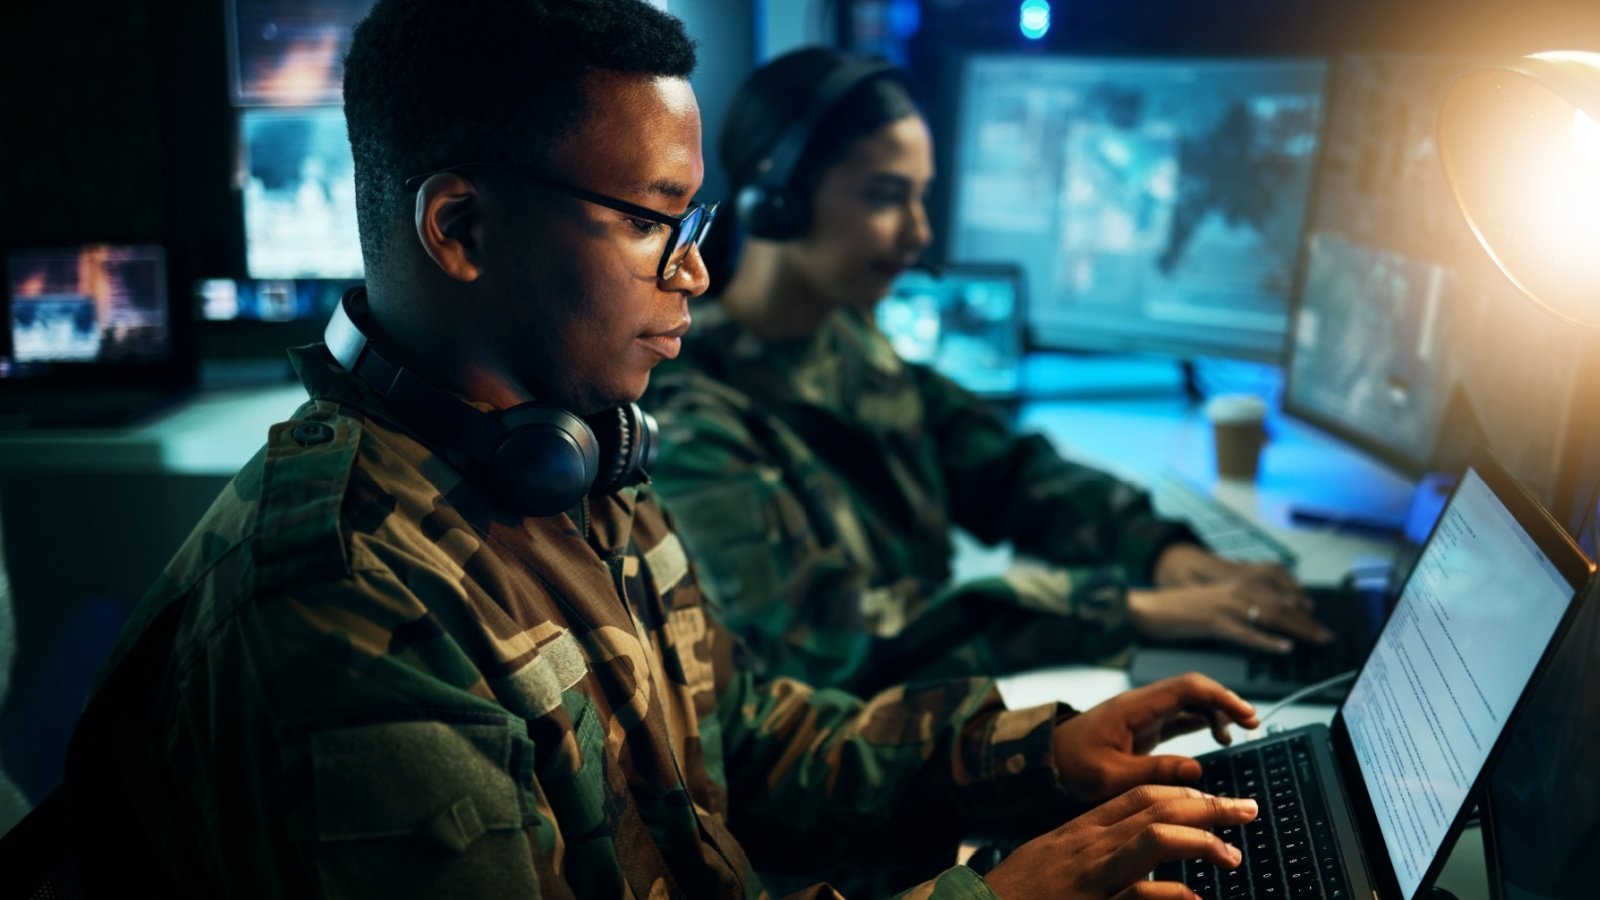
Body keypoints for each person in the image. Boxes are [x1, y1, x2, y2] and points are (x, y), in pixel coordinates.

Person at [63, 3, 1263, 897]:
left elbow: (735, 736)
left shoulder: (568, 453)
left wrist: (1034, 756)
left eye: (692, 222)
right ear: (463, 228)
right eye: (650, 223)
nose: (694, 269)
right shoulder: (342, 610)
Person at [644, 47, 1333, 695]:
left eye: (921, 197)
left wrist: (1158, 551)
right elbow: (821, 644)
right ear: (779, 192)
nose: (918, 233)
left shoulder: (845, 334)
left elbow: (1004, 471)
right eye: (886, 196)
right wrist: (1131, 611)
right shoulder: (689, 416)